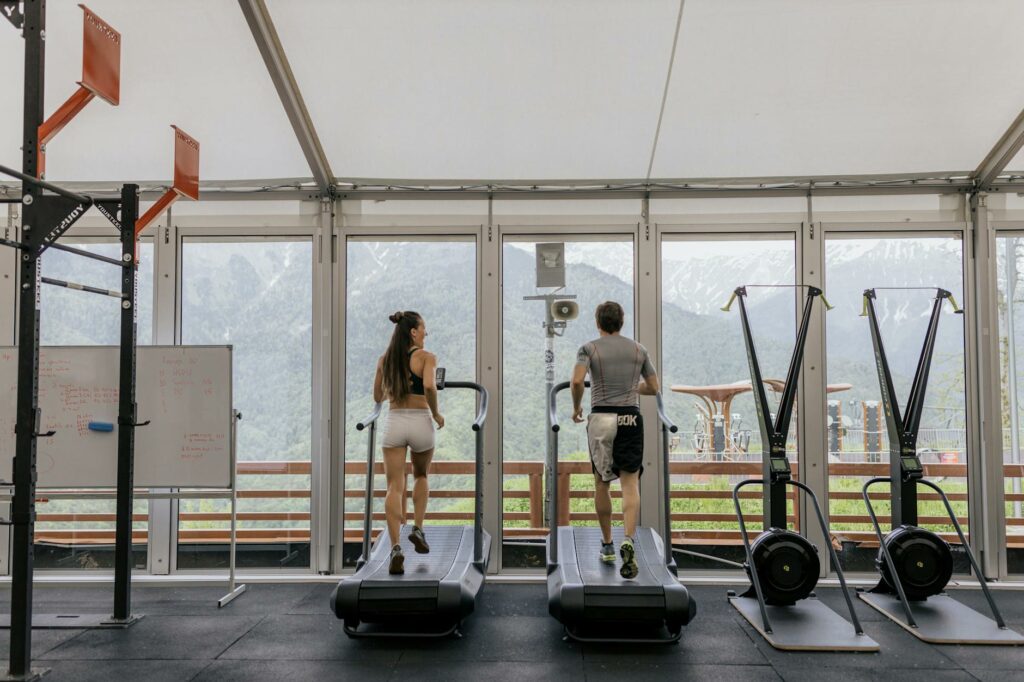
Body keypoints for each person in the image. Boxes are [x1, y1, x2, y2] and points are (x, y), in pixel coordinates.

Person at [571, 301, 660, 580]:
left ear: (598, 322)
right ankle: (629, 539)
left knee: (601, 482)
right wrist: (633, 387)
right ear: (621, 322)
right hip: (631, 418)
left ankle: (608, 544)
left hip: (601, 418)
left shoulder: (589, 348)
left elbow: (576, 382)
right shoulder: (638, 349)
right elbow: (653, 387)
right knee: (630, 483)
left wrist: (576, 408)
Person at [373, 310, 445, 575]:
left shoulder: (385, 359)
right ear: (413, 332)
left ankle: (395, 548)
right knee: (421, 475)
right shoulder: (427, 357)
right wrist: (436, 413)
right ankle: (418, 528)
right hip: (421, 421)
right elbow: (429, 387)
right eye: (424, 328)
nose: (426, 333)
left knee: (394, 486)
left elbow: (377, 395)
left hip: (394, 421)